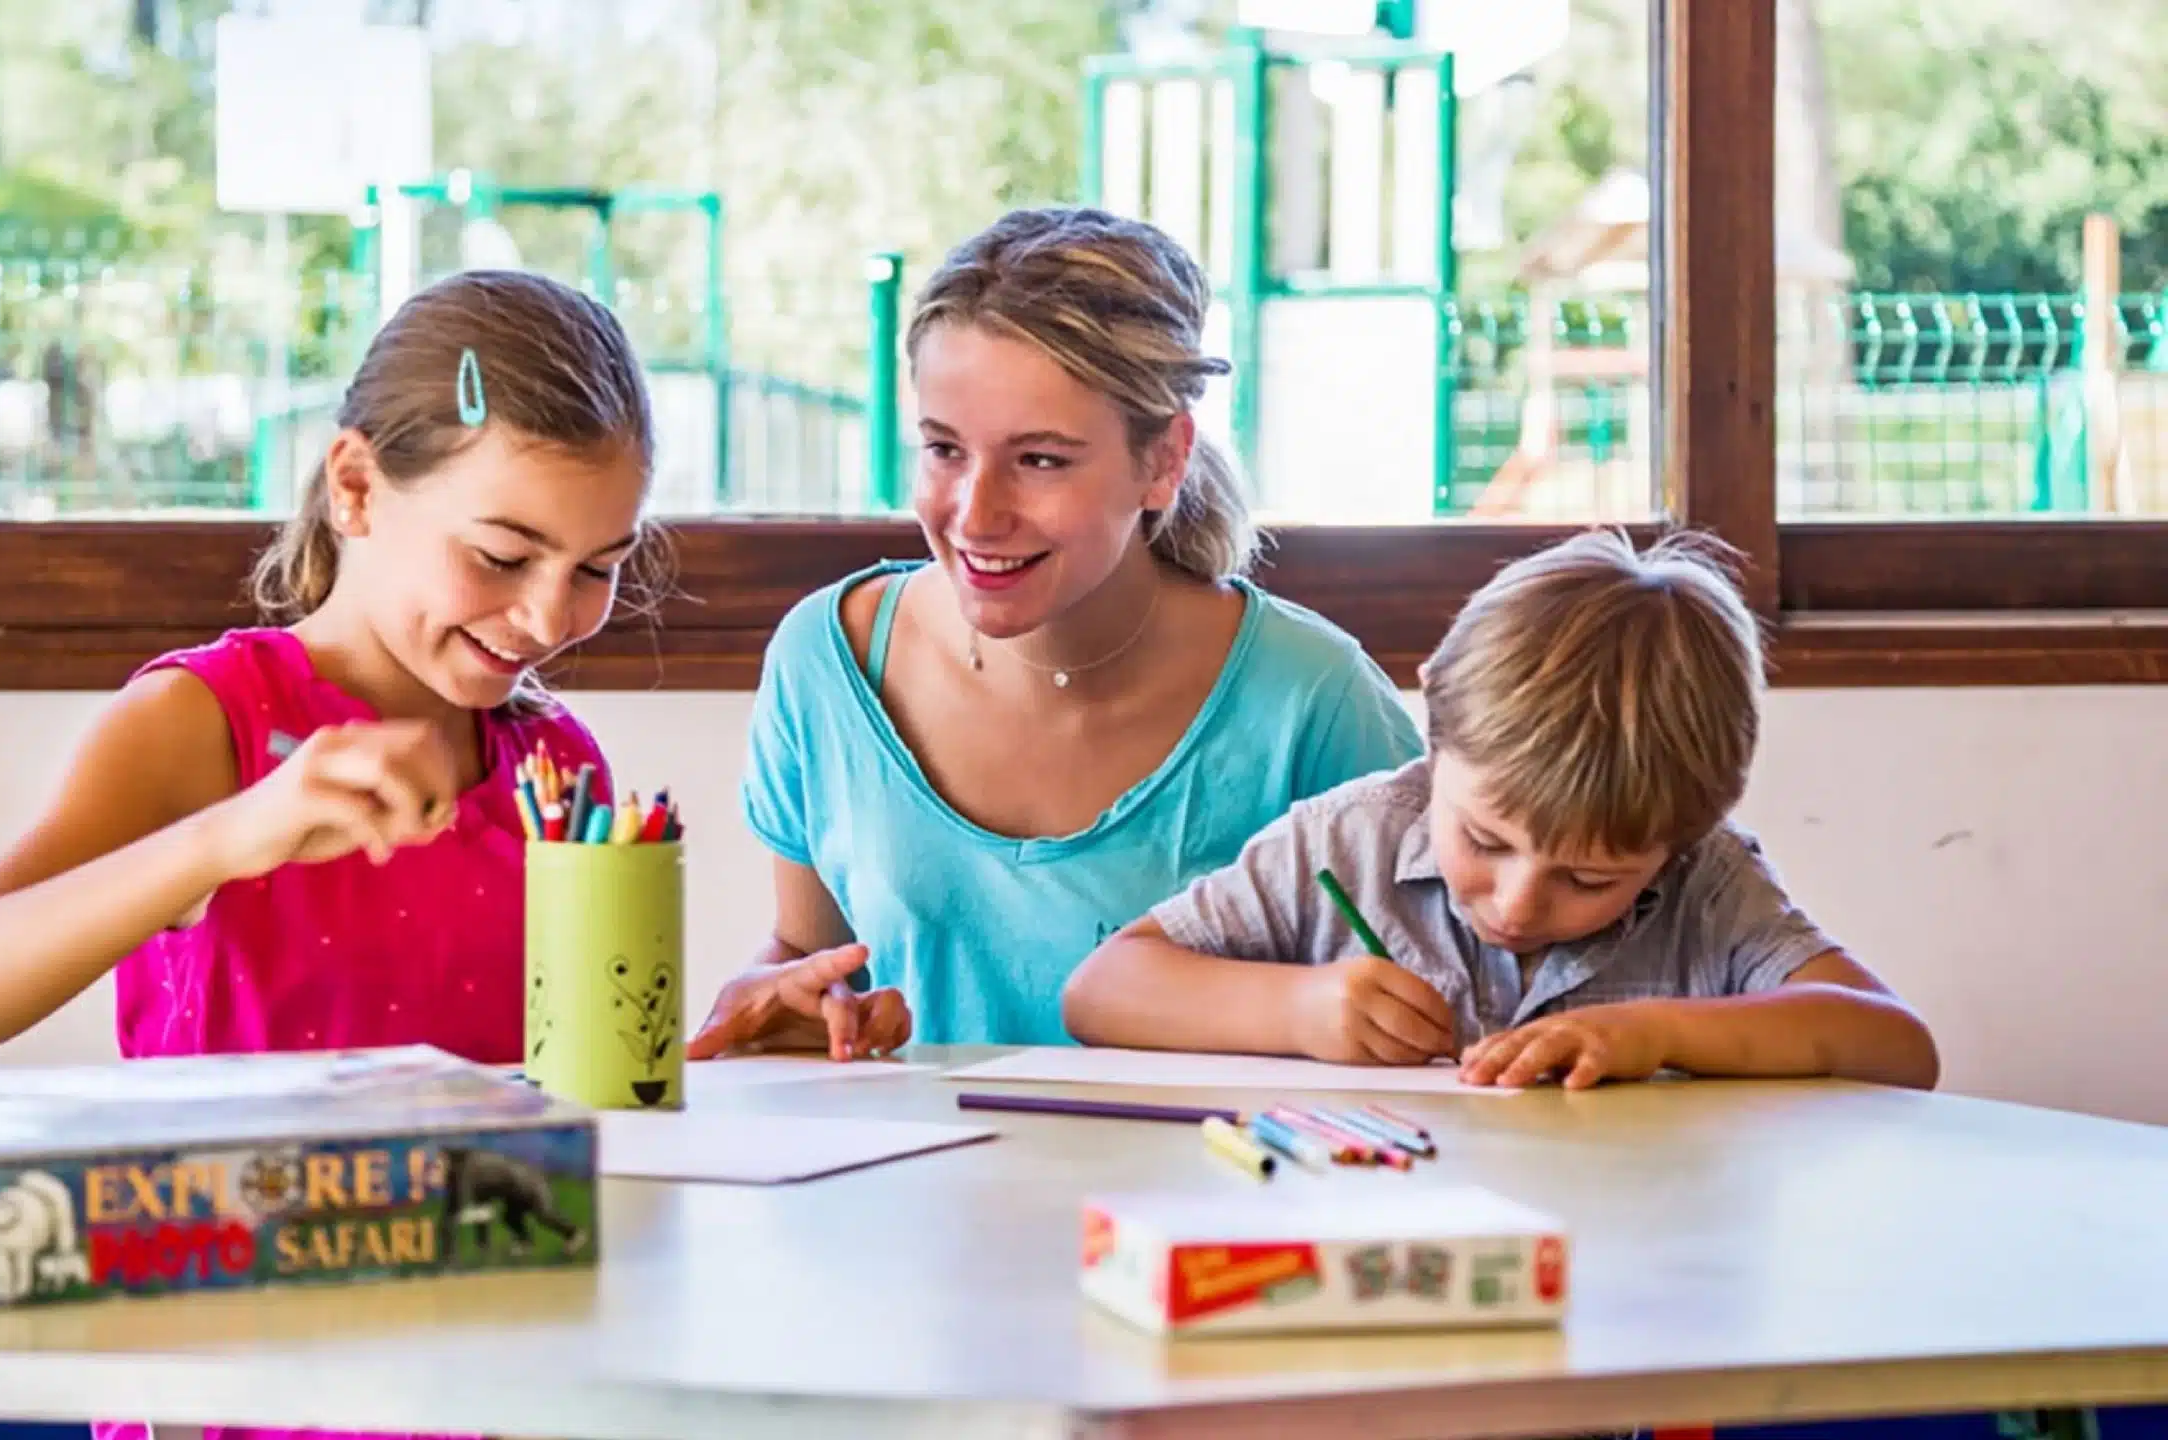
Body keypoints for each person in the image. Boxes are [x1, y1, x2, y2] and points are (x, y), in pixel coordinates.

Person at [0, 266, 652, 1088]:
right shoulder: (203, 720)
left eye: (597, 570)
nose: (546, 618)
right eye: (502, 557)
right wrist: (228, 840)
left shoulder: (557, 769)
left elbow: (593, 1081)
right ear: (355, 488)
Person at [688, 206, 1421, 1060]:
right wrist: (775, 1009)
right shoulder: (827, 660)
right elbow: (812, 962)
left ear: (1163, 462)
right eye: (944, 449)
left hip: (1208, 1185)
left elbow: (1449, 991)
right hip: (910, 1189)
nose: (976, 514)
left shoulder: (1313, 701)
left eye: (1040, 460)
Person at [1063, 528, 1941, 1091]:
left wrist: (1658, 1034)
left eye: (1591, 877)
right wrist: (1297, 1011)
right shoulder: (1346, 842)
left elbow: (1895, 1046)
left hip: (1628, 1269)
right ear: (1436, 724)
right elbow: (1102, 992)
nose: (1518, 903)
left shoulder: (1706, 882)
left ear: (1682, 835)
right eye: (1485, 839)